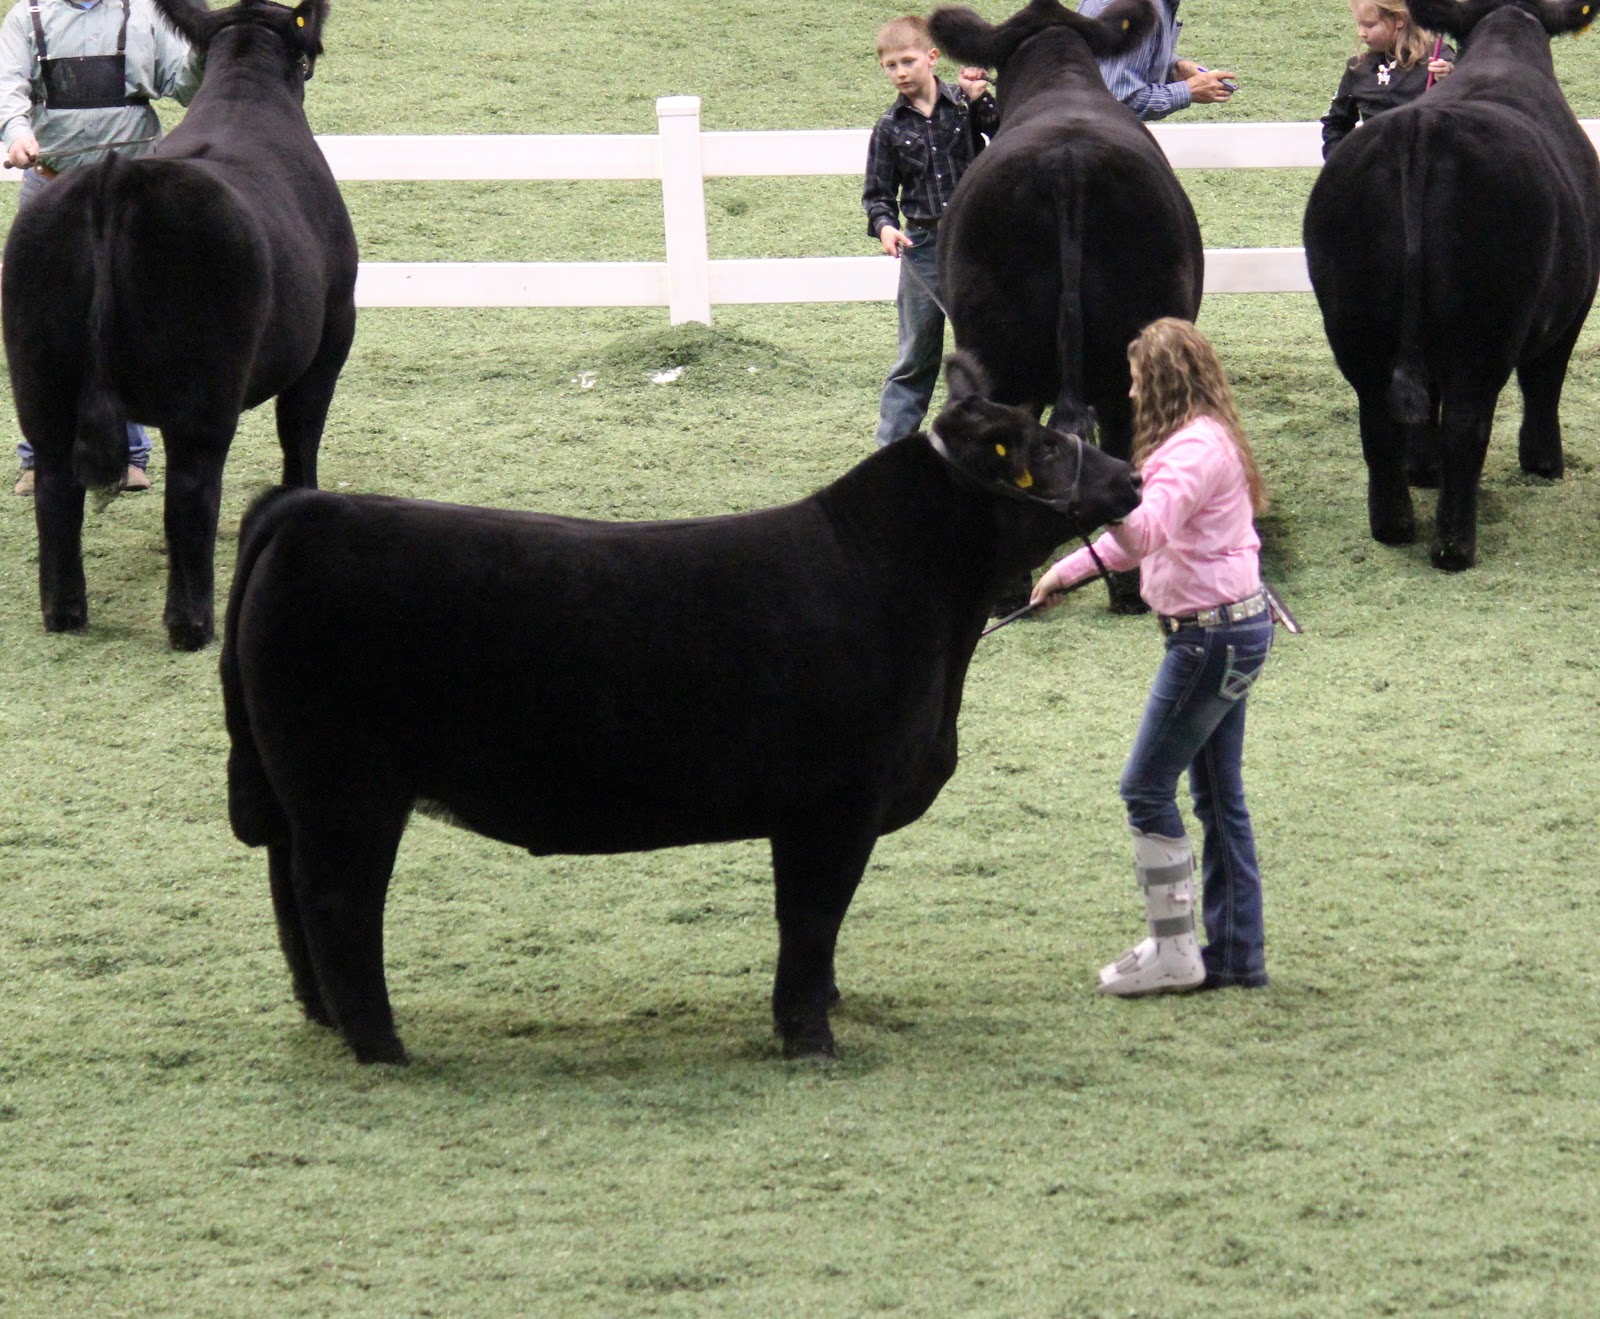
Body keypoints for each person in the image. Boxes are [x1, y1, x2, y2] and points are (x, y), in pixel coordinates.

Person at [1030, 318, 1274, 995]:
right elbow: (1149, 539)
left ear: (1161, 381)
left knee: (1145, 786)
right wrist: (1069, 572)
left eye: (1138, 378)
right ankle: (1234, 955)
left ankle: (1176, 949)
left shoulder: (1192, 453)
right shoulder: (1205, 440)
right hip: (1233, 628)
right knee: (1220, 799)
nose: (1132, 391)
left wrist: (1094, 496)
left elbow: (1141, 530)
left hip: (1208, 638)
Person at [0, 0, 203, 496]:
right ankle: (41, 457)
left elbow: (183, 85)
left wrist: (204, 46)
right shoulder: (25, 18)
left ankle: (131, 454)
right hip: (52, 188)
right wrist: (17, 130)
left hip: (135, 192)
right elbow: (8, 87)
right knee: (43, 327)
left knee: (132, 317)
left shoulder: (148, 16)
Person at [862, 15, 998, 448]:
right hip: (921, 246)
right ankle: (892, 456)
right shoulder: (888, 128)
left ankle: (989, 443)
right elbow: (878, 194)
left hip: (974, 242)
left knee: (984, 349)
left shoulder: (963, 104)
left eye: (908, 61)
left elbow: (1004, 132)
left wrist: (982, 99)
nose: (900, 72)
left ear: (932, 58)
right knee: (916, 355)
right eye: (890, 65)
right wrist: (885, 228)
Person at [1321, 0, 1454, 158]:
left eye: (1370, 25)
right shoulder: (1358, 68)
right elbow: (1335, 124)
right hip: (1376, 173)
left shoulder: (1439, 58)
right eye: (1359, 24)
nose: (1361, 33)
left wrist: (1451, 79)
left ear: (1399, 20)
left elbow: (1466, 113)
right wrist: (1341, 164)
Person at [1076, 0, 1238, 121]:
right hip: (1087, 147)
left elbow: (1105, 62)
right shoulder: (1138, 7)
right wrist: (1189, 90)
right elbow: (1118, 101)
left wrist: (1173, 68)